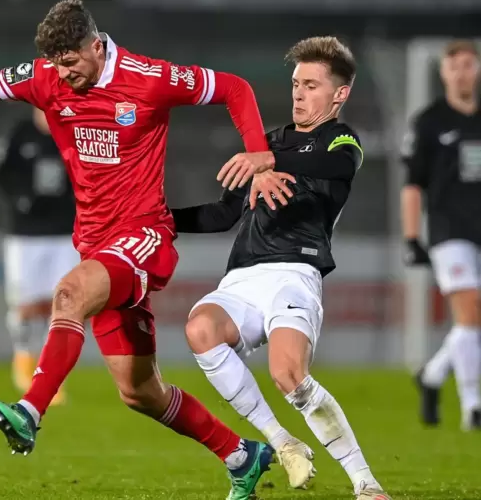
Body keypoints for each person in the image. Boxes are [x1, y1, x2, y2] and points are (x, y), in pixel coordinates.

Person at [0, 0, 293, 497]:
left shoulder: (149, 77)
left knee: (69, 294)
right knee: (139, 391)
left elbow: (233, 87)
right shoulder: (45, 76)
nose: (61, 74)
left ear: (96, 47)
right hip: (96, 243)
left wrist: (257, 150)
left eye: (70, 61)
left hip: (143, 236)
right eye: (54, 64)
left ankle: (29, 412)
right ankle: (243, 455)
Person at [170, 37, 391, 500]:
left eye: (311, 85)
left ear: (339, 94)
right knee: (200, 329)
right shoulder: (268, 142)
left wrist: (266, 160)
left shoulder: (342, 142)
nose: (299, 93)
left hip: (296, 272)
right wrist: (163, 219)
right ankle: (283, 442)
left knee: (288, 374)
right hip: (243, 277)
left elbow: (334, 164)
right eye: (295, 83)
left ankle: (365, 482)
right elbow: (223, 214)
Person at [402, 40, 481, 430]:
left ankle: (432, 375)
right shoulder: (429, 122)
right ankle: (473, 406)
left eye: (469, 65)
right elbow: (413, 184)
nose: (463, 72)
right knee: (469, 313)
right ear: (444, 73)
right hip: (449, 233)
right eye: (456, 66)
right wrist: (412, 237)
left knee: (474, 320)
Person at [0, 107, 78, 405]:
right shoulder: (20, 134)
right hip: (25, 234)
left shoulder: (73, 131)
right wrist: (22, 199)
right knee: (24, 305)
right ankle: (23, 358)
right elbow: (2, 173)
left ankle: (49, 376)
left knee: (63, 304)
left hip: (65, 232)